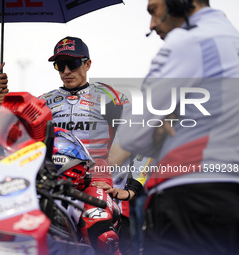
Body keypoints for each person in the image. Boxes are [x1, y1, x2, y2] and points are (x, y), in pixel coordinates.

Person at [114, 0, 239, 254]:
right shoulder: (230, 38)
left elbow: (133, 134)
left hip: (188, 196)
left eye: (153, 10)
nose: (151, 25)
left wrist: (164, 121)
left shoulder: (188, 41)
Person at [39, 36, 144, 255]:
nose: (66, 70)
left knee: (103, 237)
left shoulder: (110, 97)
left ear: (87, 64)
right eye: (59, 65)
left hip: (99, 186)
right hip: (52, 189)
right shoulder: (43, 102)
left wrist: (130, 191)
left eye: (73, 63)